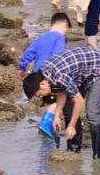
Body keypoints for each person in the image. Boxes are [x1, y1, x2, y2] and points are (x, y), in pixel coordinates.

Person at [23, 46, 100, 159]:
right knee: (68, 109)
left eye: (40, 94)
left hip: (99, 66)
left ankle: (97, 156)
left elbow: (79, 100)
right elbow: (61, 92)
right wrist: (56, 115)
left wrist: (71, 126)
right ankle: (74, 150)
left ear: (42, 85)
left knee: (92, 112)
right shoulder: (46, 75)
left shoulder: (59, 76)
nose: (41, 97)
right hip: (80, 72)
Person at [17, 12, 73, 140]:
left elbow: (28, 53)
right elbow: (58, 55)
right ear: (64, 25)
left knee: (48, 102)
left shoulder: (41, 37)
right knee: (55, 100)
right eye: (67, 30)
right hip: (49, 76)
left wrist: (22, 68)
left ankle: (46, 127)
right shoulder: (60, 38)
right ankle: (46, 124)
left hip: (37, 76)